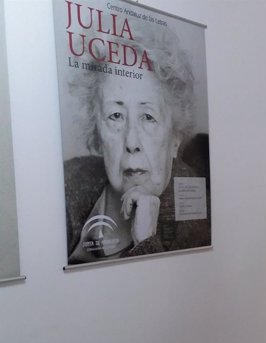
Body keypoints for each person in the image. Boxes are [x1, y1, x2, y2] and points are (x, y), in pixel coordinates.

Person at [63, 22, 210, 264]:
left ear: (174, 138)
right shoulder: (69, 184)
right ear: (97, 133)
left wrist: (145, 244)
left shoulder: (198, 220)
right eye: (116, 116)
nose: (131, 142)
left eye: (148, 117)